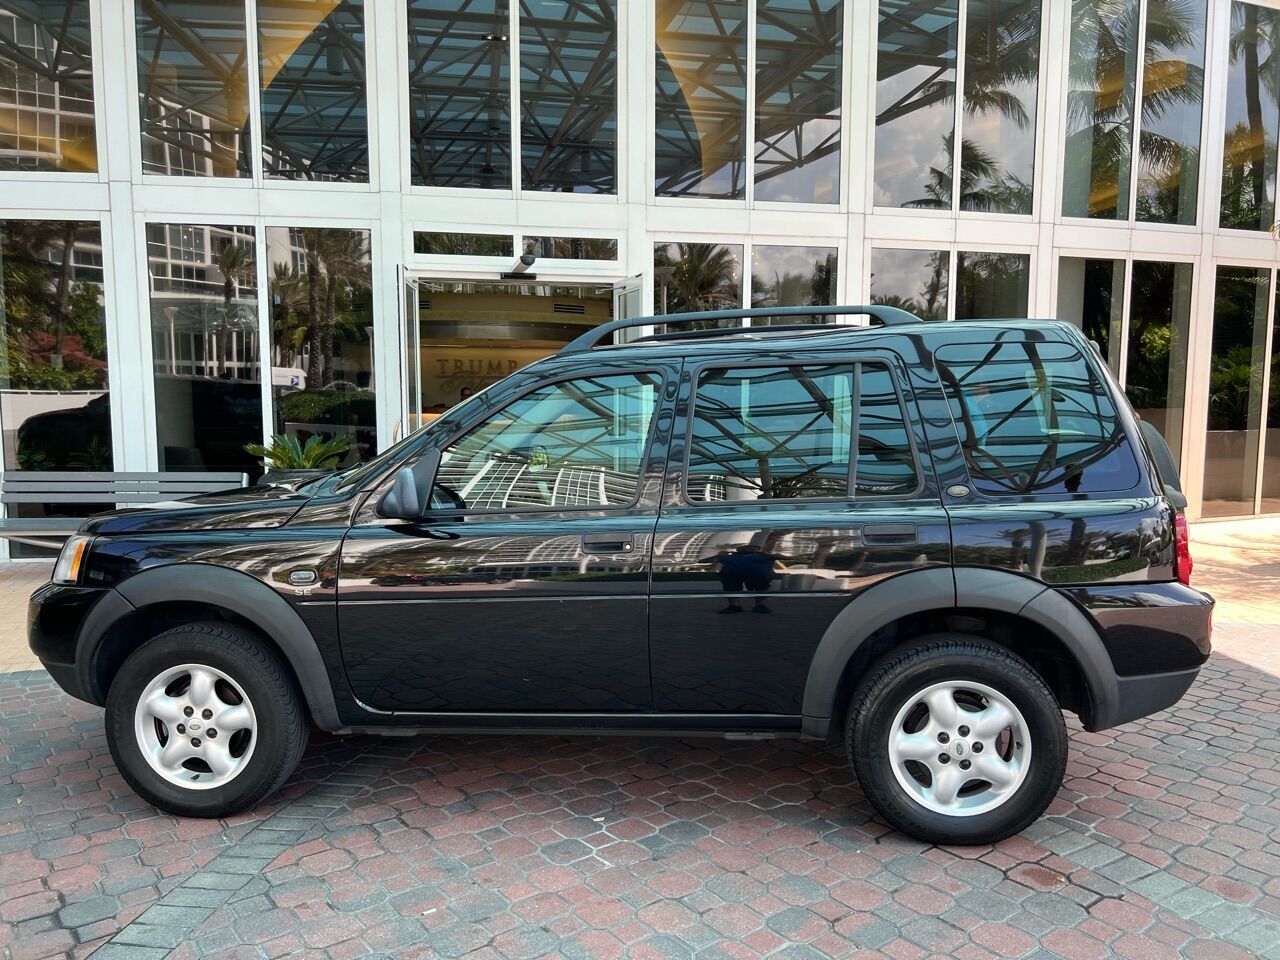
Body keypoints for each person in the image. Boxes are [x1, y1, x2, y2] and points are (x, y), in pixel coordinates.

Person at [700, 544, 787, 614]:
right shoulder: (729, 556)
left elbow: (788, 558)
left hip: (758, 576)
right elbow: (702, 561)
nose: (750, 549)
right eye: (747, 548)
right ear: (739, 550)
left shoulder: (764, 556)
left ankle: (760, 605)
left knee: (761, 587)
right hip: (733, 576)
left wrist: (772, 555)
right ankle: (734, 606)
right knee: (731, 588)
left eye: (754, 548)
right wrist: (719, 555)